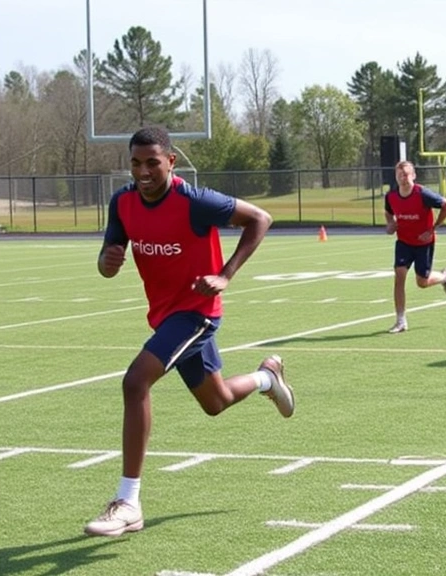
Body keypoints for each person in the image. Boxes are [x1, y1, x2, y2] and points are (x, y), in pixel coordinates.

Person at [85, 127, 294, 537]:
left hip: (197, 313)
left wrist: (225, 275)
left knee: (135, 382)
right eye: (136, 163)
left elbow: (260, 219)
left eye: (152, 163)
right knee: (216, 401)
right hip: (165, 317)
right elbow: (108, 260)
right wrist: (106, 262)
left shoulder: (195, 202)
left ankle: (128, 502)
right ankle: (267, 377)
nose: (143, 172)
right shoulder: (122, 203)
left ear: (171, 162)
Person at [384, 160, 446, 333]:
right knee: (399, 276)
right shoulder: (391, 196)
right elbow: (388, 212)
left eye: (406, 174)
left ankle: (445, 277)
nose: (403, 178)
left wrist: (433, 229)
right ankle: (401, 321)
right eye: (400, 175)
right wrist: (390, 224)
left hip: (423, 243)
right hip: (404, 242)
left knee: (422, 282)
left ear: (413, 175)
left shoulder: (423, 194)